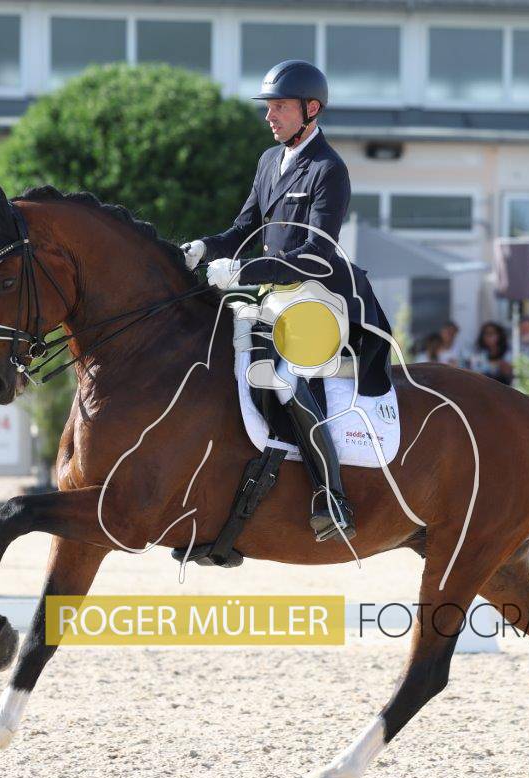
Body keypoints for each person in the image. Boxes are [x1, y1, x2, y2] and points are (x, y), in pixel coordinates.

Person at [180, 59, 395, 542]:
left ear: (310, 109)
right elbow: (242, 230)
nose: (269, 116)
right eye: (269, 107)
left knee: (283, 378)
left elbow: (316, 254)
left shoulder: (328, 169)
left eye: (279, 107)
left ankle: (331, 496)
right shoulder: (268, 161)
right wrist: (203, 248)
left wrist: (244, 271)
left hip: (321, 296)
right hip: (276, 296)